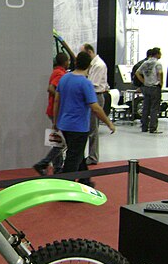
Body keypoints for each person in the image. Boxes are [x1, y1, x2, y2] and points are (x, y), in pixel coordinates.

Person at [53, 51, 115, 187]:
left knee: (77, 153)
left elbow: (56, 101)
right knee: (73, 158)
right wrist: (109, 123)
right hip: (79, 127)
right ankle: (65, 187)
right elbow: (95, 107)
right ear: (89, 65)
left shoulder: (64, 78)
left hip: (64, 124)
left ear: (75, 62)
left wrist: (55, 122)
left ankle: (85, 180)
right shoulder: (85, 83)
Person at [33, 53, 69, 175]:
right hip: (56, 111)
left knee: (58, 141)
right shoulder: (60, 74)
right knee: (61, 143)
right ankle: (44, 163)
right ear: (64, 62)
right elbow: (51, 88)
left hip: (54, 110)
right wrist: (62, 97)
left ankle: (57, 167)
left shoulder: (56, 72)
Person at [81, 43, 109, 165]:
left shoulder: (98, 65)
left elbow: (92, 84)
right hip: (92, 96)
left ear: (90, 52)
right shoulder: (92, 65)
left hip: (96, 96)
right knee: (89, 128)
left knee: (93, 129)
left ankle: (93, 157)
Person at [136, 47, 163, 134]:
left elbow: (137, 72)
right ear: (157, 54)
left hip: (146, 87)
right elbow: (160, 73)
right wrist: (161, 82)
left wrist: (143, 81)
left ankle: (144, 127)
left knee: (145, 107)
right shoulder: (157, 63)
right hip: (155, 87)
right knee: (154, 108)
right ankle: (153, 128)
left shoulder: (145, 63)